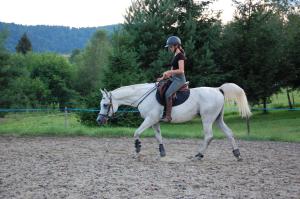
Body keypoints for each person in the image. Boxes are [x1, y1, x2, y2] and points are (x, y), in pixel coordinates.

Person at [157, 36, 186, 122]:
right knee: (161, 87)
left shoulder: (180, 56)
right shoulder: (175, 55)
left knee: (168, 94)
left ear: (176, 45)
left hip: (179, 80)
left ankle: (168, 116)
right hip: (173, 78)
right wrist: (163, 77)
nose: (169, 48)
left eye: (170, 46)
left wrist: (169, 72)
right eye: (169, 47)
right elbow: (172, 70)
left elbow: (181, 70)